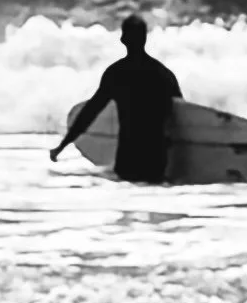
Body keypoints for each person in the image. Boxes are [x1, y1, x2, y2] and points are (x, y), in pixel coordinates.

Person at [52, 14, 183, 185]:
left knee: (127, 200)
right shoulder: (163, 75)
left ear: (123, 39)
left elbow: (91, 112)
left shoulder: (116, 74)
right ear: (145, 38)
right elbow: (184, 118)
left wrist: (62, 146)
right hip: (156, 162)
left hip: (128, 160)